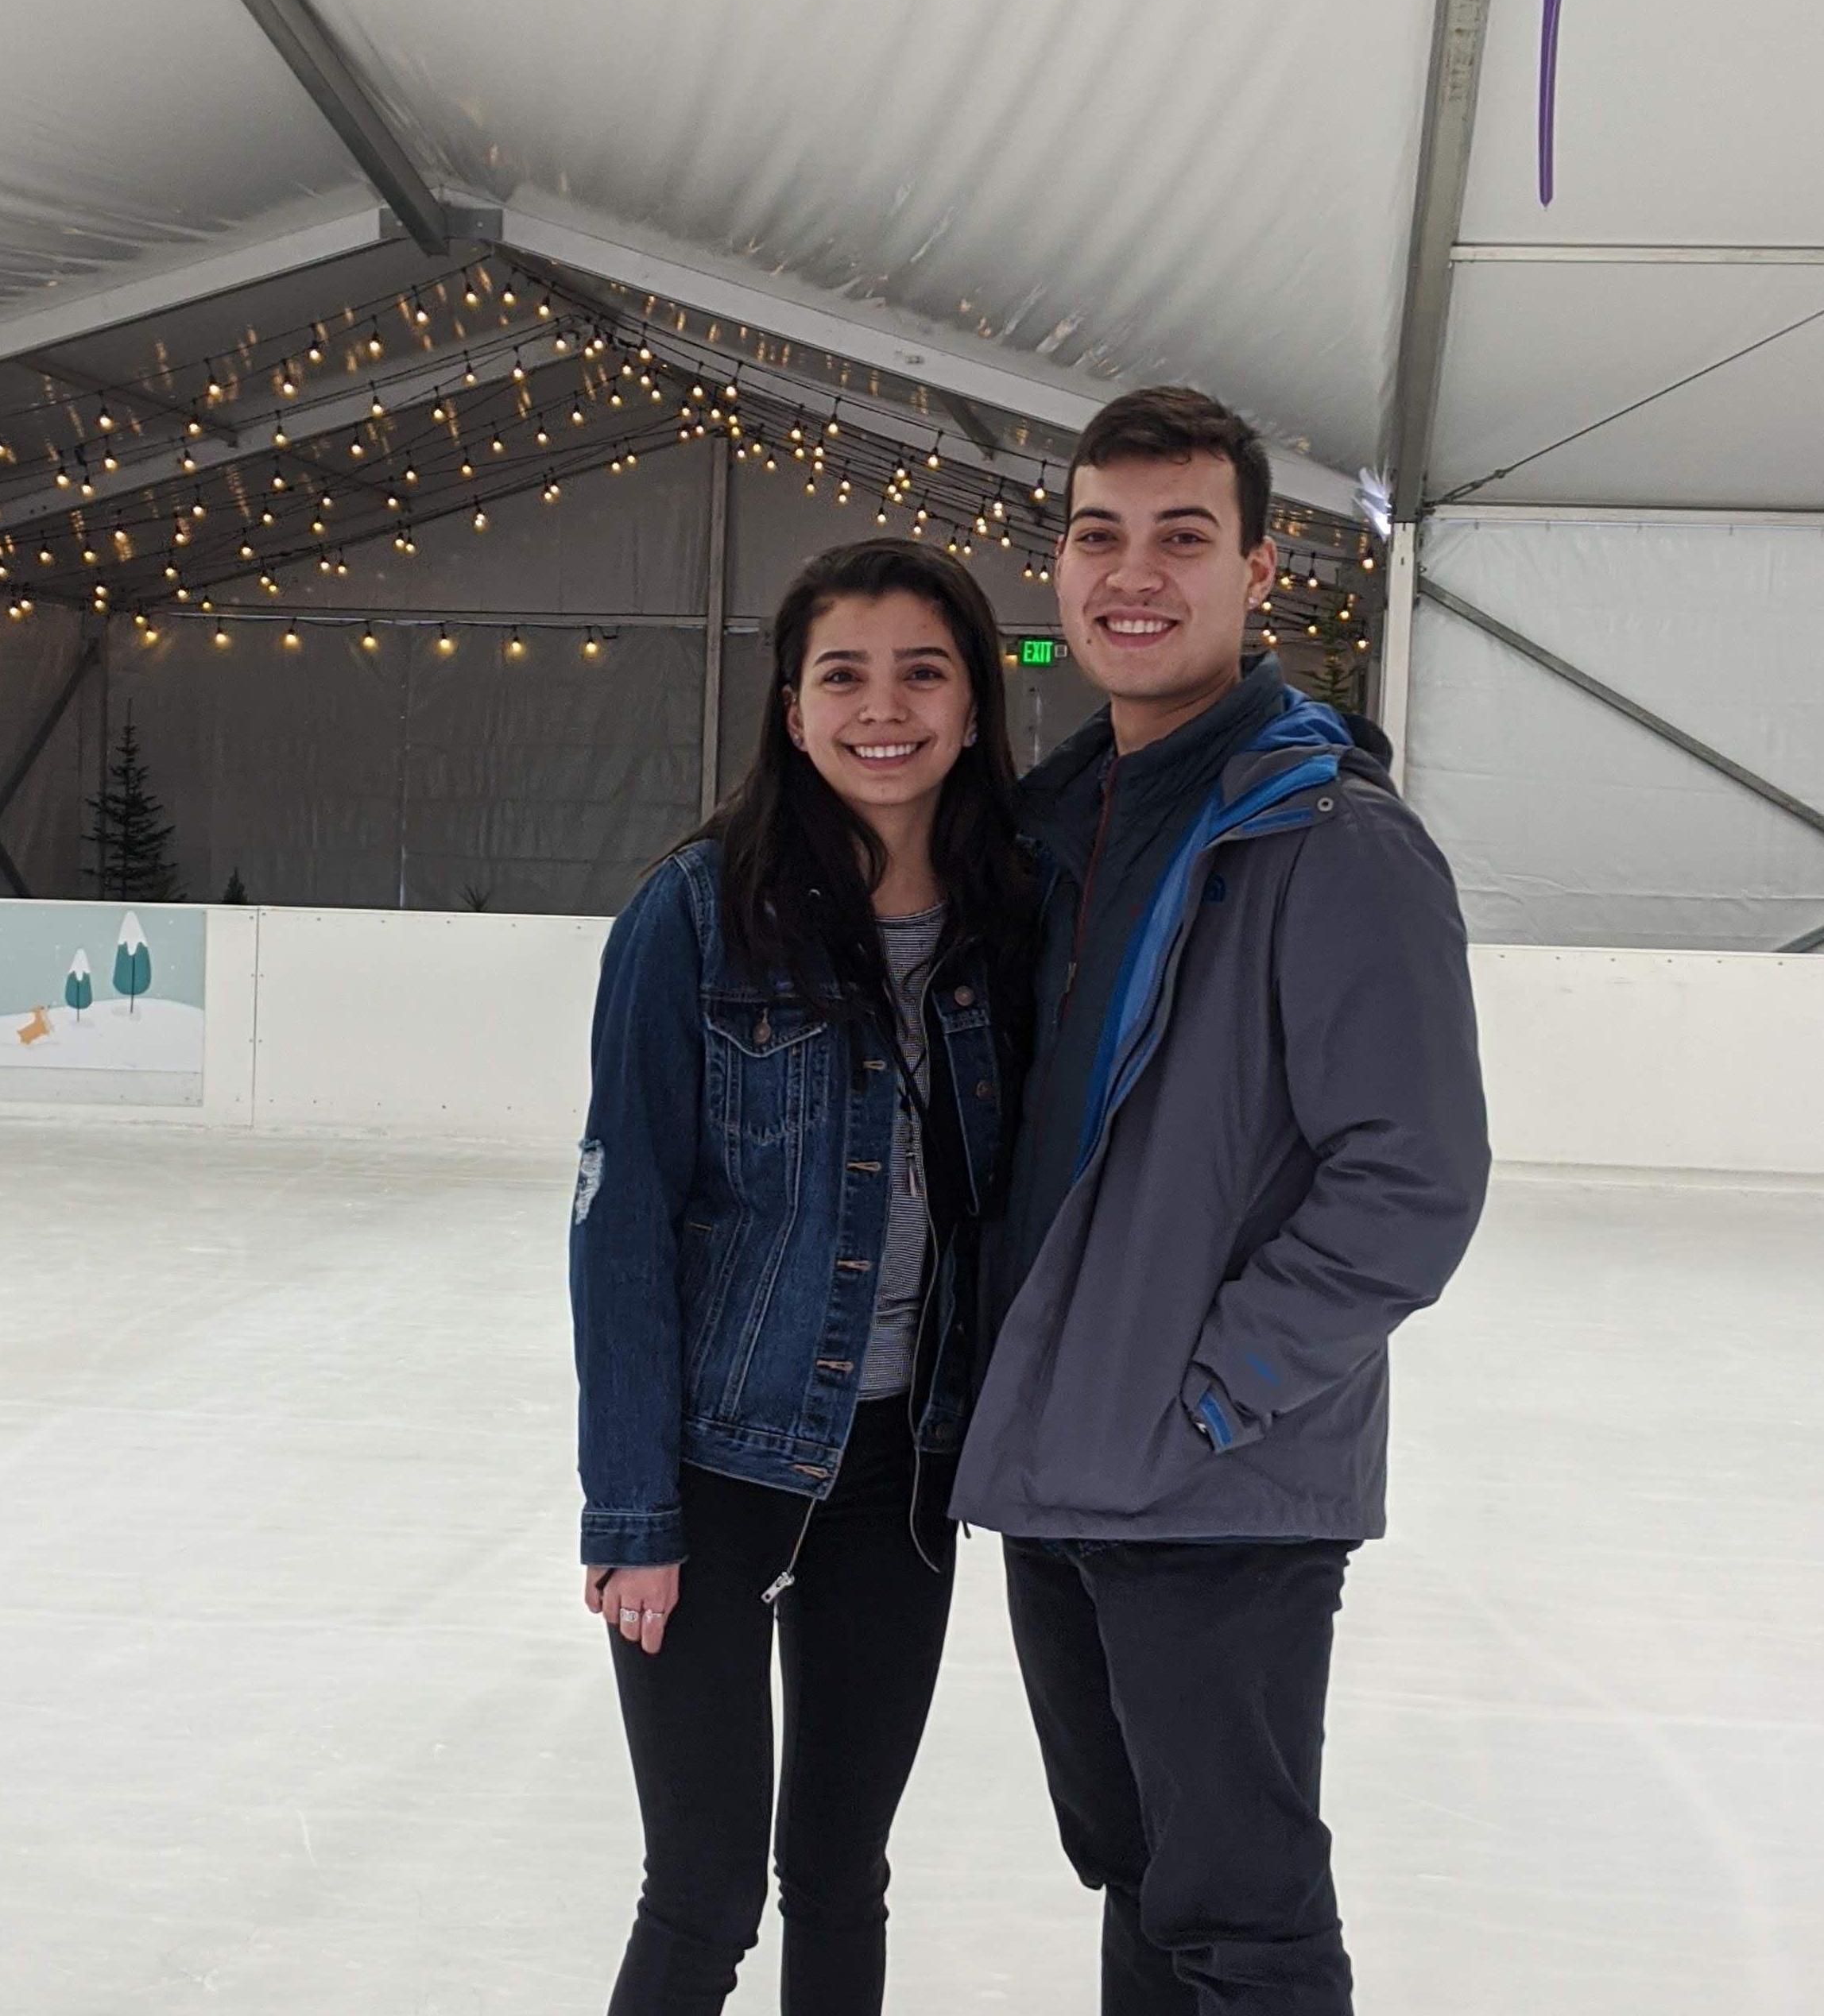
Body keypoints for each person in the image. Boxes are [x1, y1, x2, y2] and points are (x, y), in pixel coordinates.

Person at [954, 386, 1493, 2014]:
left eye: (1181, 536)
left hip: (1214, 1486)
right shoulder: (1055, 829)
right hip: (1061, 1463)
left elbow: (1412, 1178)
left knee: (1241, 1923)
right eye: (1098, 535)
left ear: (1257, 570)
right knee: (1137, 1872)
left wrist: (1212, 1398)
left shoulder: (1330, 841)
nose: (1133, 573)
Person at [571, 540, 1034, 2016]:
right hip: (717, 1465)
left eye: (923, 672)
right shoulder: (696, 913)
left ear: (973, 704)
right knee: (702, 1893)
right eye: (844, 675)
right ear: (791, 708)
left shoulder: (1010, 920)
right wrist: (632, 1513)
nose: (881, 708)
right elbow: (621, 1223)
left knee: (840, 1873)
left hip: (903, 1475)